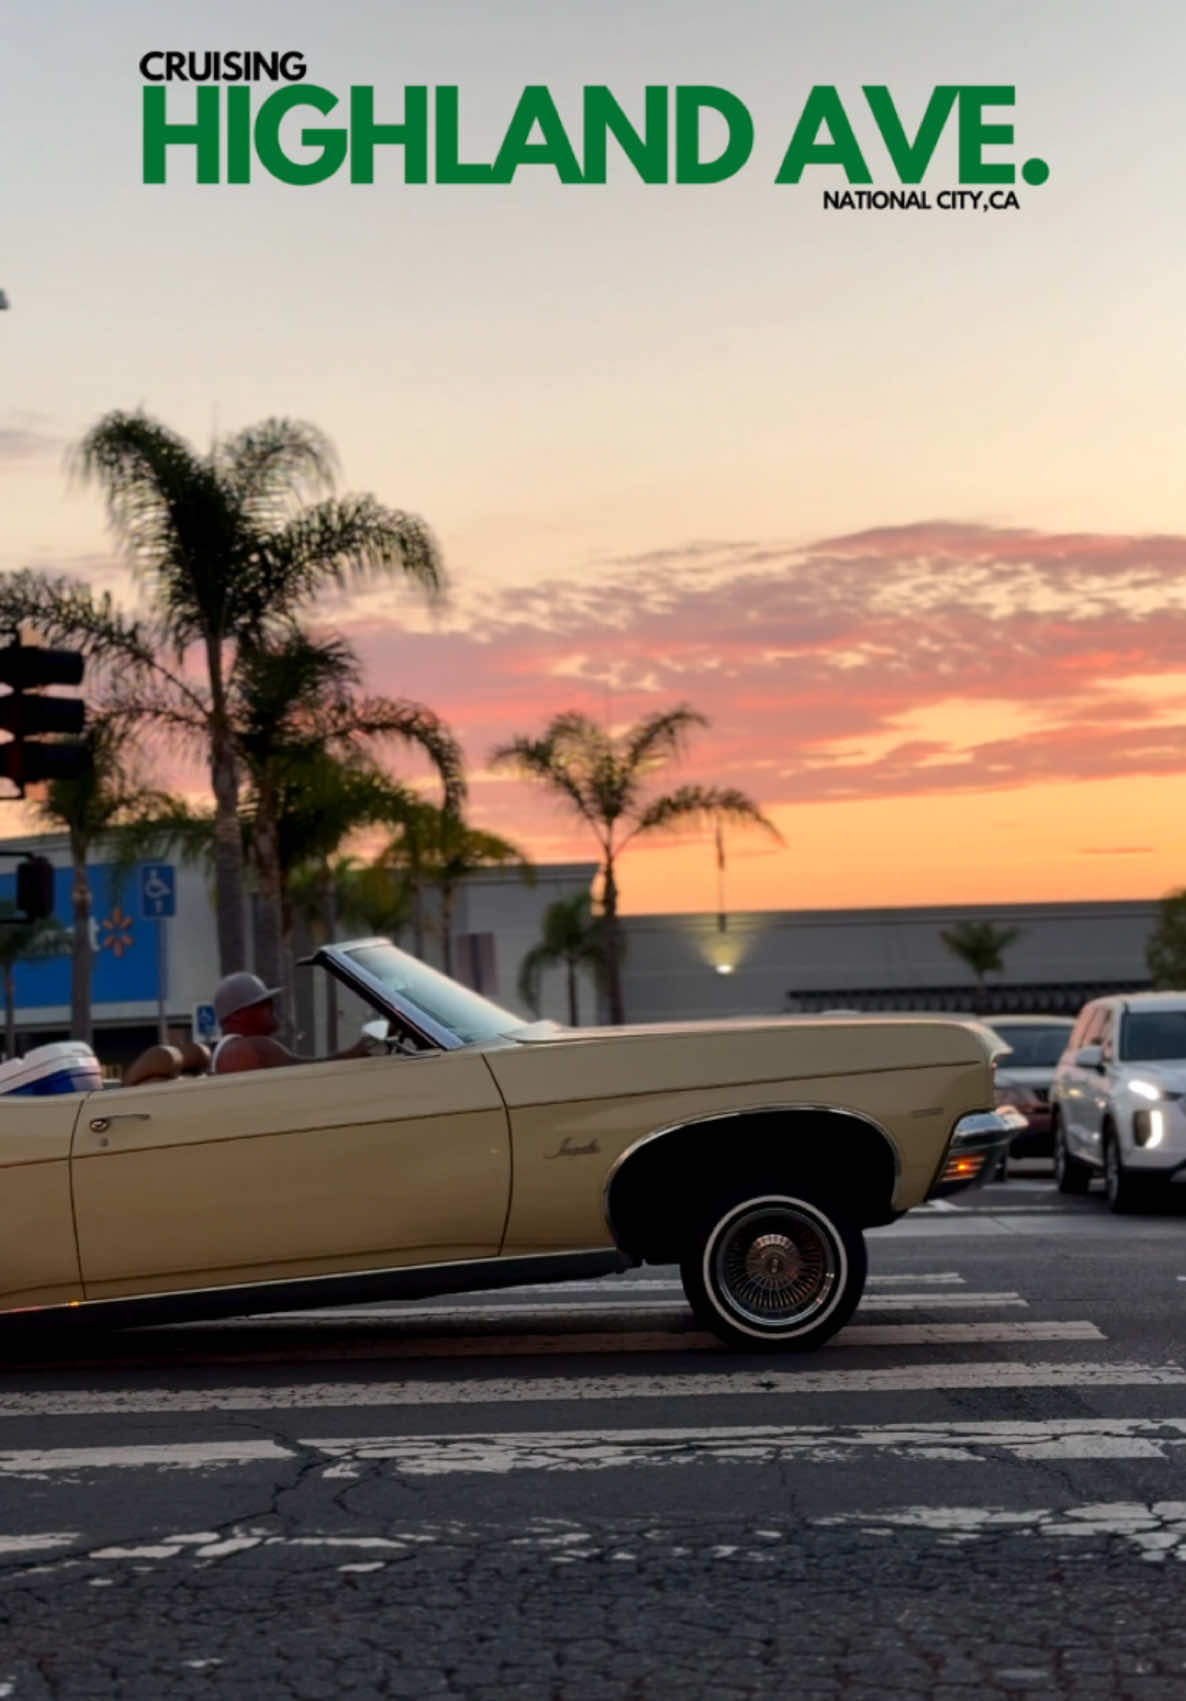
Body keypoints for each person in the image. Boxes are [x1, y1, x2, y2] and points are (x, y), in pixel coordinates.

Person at [211, 972, 374, 1075]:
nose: (272, 1007)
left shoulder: (224, 1051)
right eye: (263, 1003)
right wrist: (355, 1053)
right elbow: (307, 1074)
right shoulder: (254, 1048)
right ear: (239, 1014)